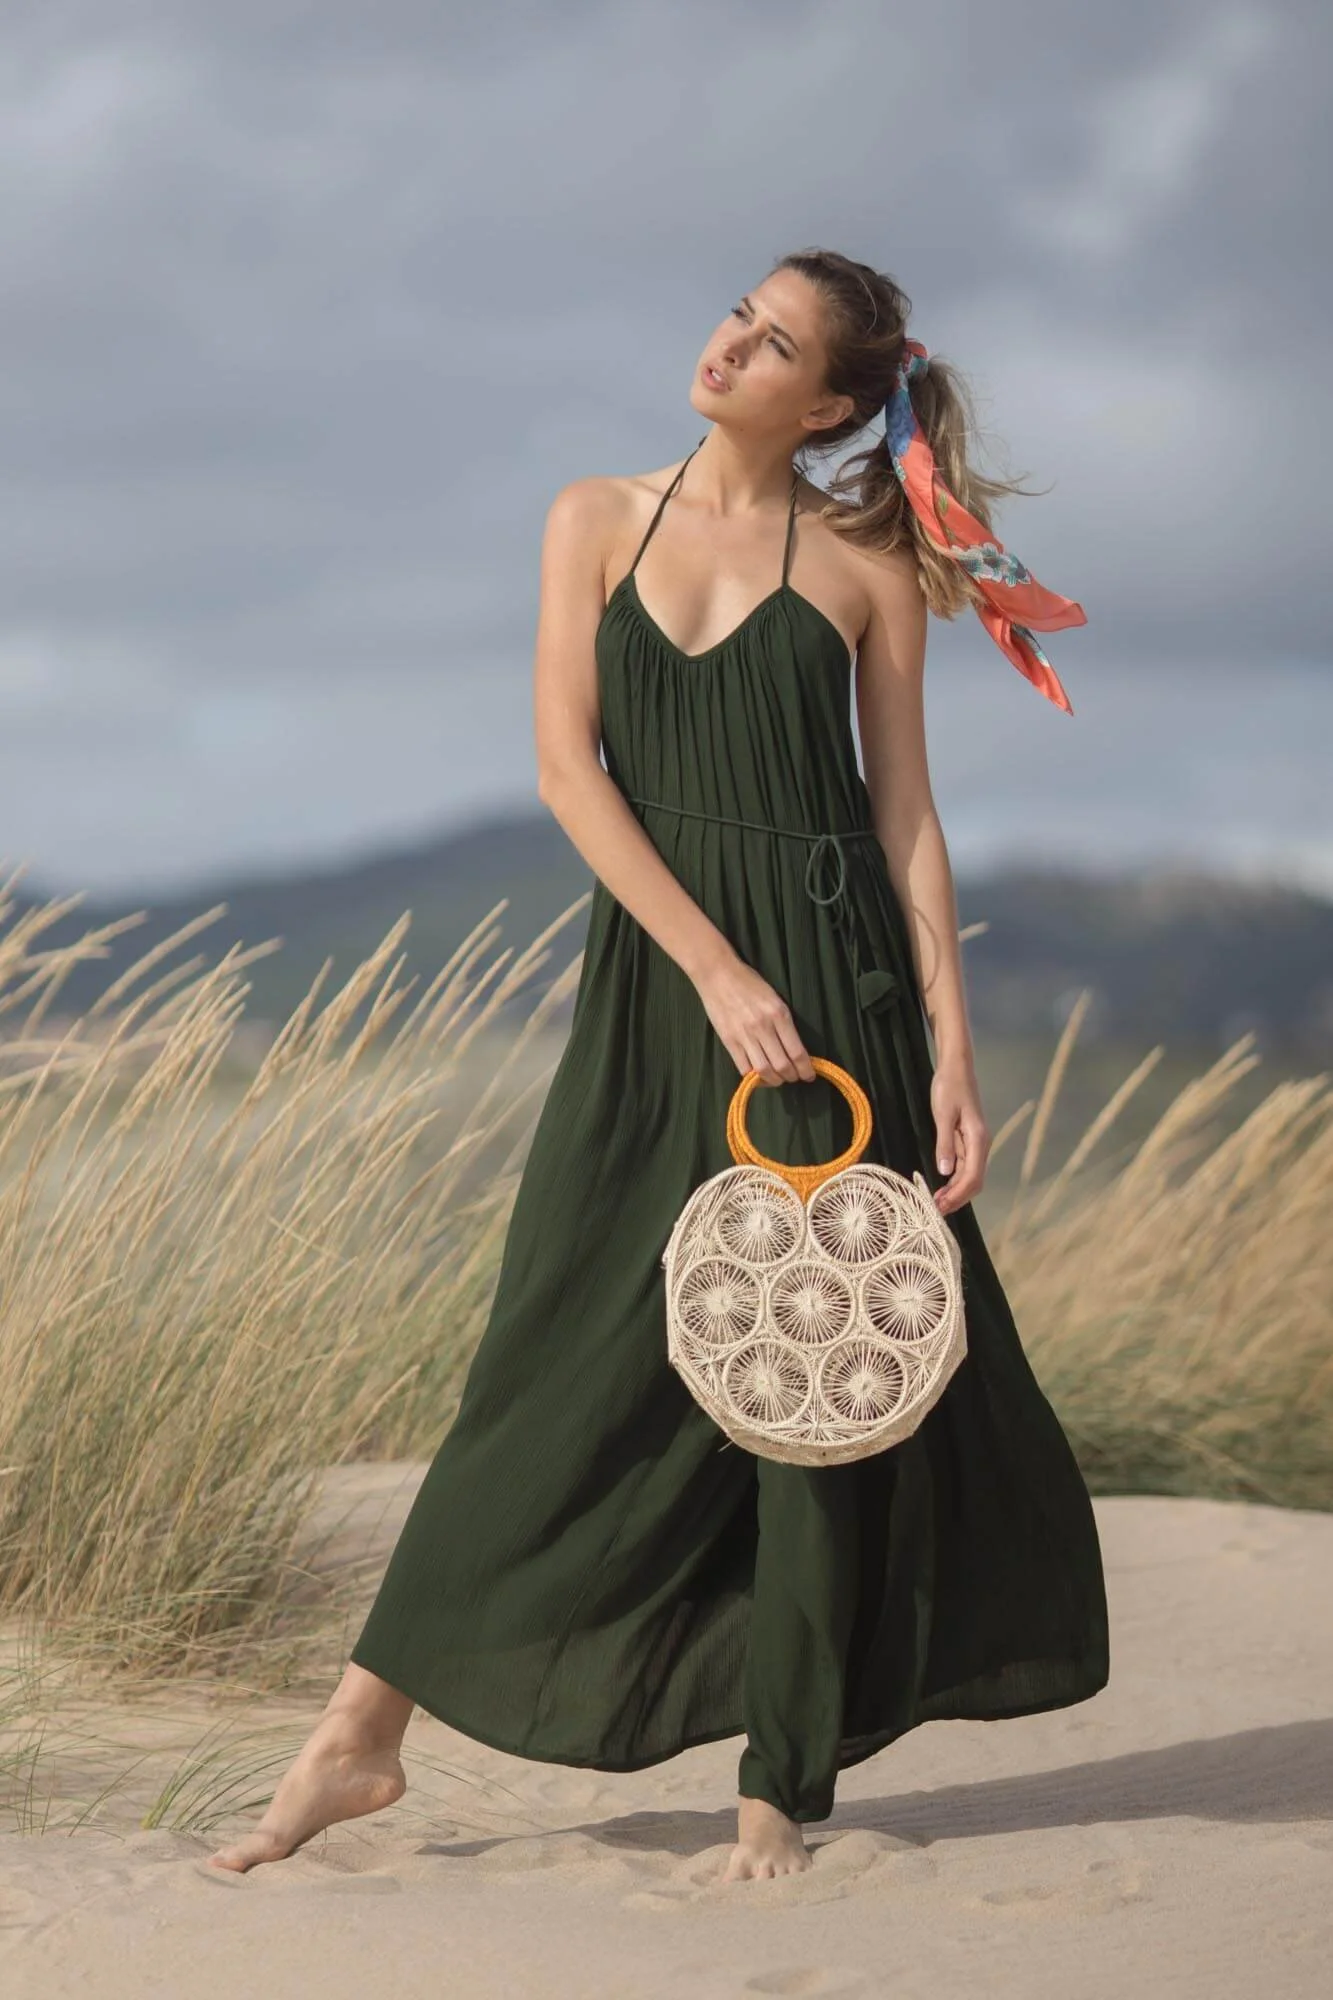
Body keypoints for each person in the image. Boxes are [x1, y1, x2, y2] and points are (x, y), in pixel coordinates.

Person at [209, 247, 1109, 1884]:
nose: (727, 348)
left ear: (827, 406)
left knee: (814, 1369)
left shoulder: (865, 563)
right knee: (554, 1348)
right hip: (665, 991)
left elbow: (905, 814)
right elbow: (570, 770)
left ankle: (780, 1785)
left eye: (772, 345)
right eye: (736, 317)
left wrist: (955, 1050)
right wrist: (711, 968)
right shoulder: (593, 518)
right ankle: (358, 1735)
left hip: (833, 1000)